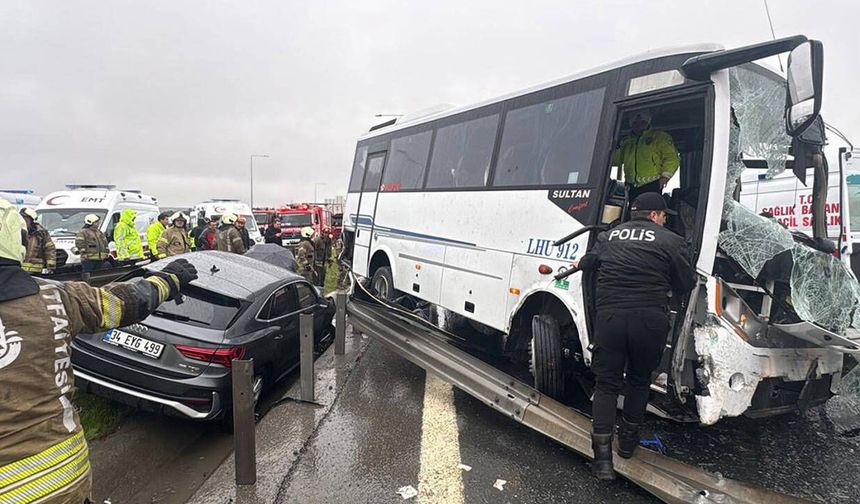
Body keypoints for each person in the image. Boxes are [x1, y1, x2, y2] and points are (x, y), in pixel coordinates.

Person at [0, 198, 198, 503]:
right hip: (67, 474)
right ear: (19, 240)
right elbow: (125, 303)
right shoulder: (57, 297)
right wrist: (168, 280)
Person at [575, 192, 695, 480]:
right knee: (639, 380)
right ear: (654, 215)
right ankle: (627, 445)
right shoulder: (670, 240)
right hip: (649, 322)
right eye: (664, 215)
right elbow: (686, 283)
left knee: (606, 384)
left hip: (611, 319)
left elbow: (588, 262)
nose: (664, 220)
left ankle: (602, 461)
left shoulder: (609, 237)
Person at [611, 110, 680, 202]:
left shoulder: (659, 137)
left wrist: (665, 178)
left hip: (652, 185)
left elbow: (672, 158)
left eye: (642, 122)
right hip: (631, 186)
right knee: (634, 213)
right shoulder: (626, 142)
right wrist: (615, 147)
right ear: (630, 124)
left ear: (648, 121)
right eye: (635, 123)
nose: (638, 125)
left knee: (649, 213)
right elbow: (615, 161)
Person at [19, 207, 56, 274]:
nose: (22, 221)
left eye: (25, 219)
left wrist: (50, 265)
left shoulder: (41, 233)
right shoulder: (15, 231)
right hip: (19, 270)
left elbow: (49, 248)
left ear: (31, 220)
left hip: (36, 270)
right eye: (21, 218)